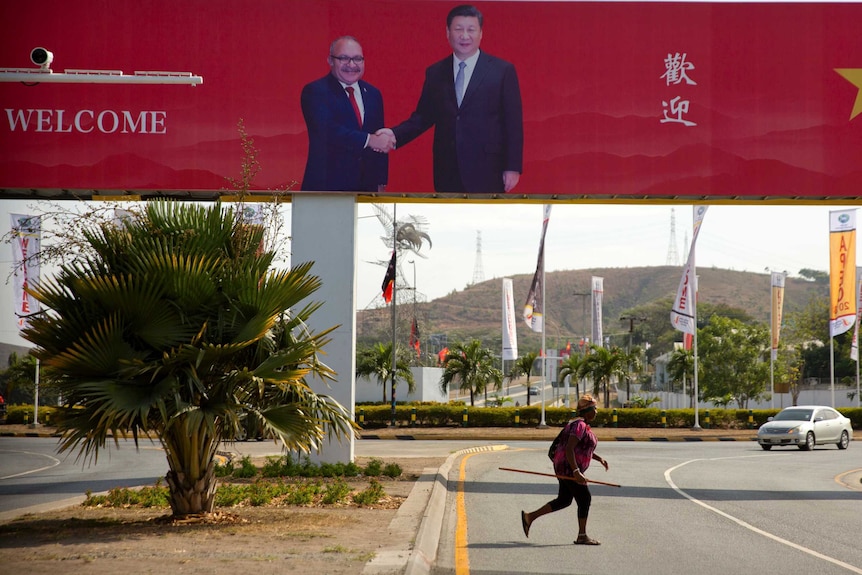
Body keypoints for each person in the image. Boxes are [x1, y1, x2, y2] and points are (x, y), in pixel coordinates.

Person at [379, 5, 523, 193]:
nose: (464, 36)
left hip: (488, 168)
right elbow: (423, 117)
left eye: (471, 30)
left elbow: (513, 123)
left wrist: (512, 167)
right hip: (447, 167)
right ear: (448, 32)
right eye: (458, 29)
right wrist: (393, 135)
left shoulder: (502, 71)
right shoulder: (436, 72)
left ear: (481, 33)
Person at [300, 36, 394, 192]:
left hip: (366, 189)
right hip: (326, 189)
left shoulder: (373, 94)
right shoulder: (315, 91)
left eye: (357, 59)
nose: (351, 65)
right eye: (344, 58)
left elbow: (379, 140)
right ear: (330, 60)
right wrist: (368, 140)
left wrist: (380, 182)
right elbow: (328, 131)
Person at [520, 394, 609, 545]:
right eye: (594, 409)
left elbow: (582, 448)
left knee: (564, 500)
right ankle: (582, 535)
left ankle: (530, 517)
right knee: (584, 498)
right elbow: (569, 449)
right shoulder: (579, 426)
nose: (596, 412)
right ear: (587, 411)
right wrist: (576, 471)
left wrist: (598, 458)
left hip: (563, 467)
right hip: (569, 468)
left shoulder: (577, 424)